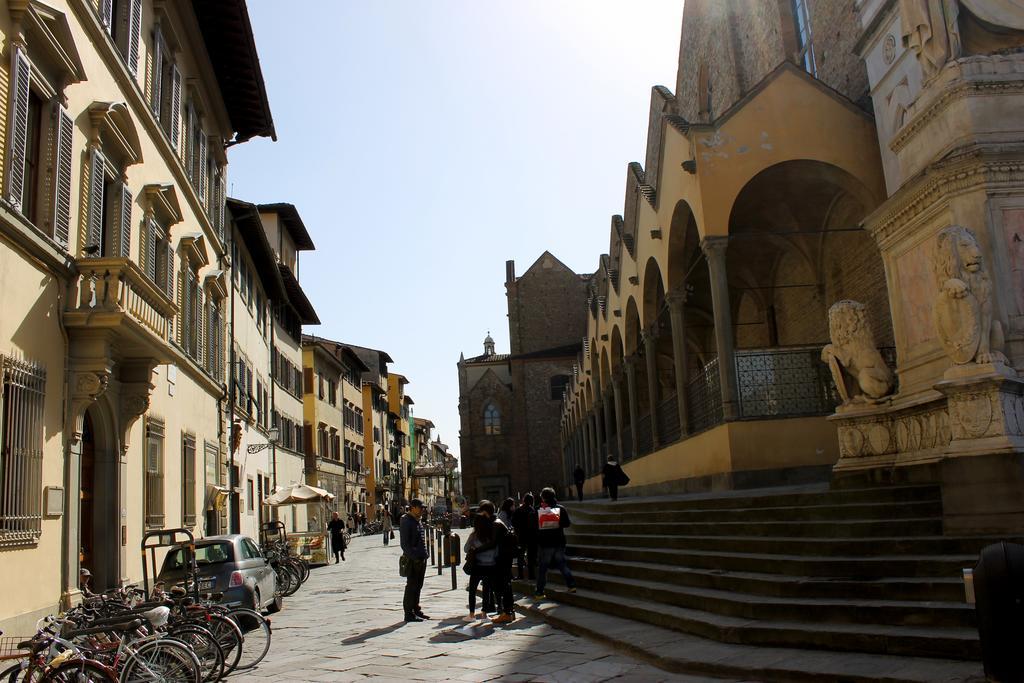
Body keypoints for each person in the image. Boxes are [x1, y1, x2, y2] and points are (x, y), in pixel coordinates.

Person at [535, 487, 576, 599]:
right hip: (559, 541)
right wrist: (557, 522)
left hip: (545, 543)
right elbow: (567, 524)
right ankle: (571, 585)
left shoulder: (539, 509)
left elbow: (534, 527)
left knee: (543, 568)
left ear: (543, 497)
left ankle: (539, 592)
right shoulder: (560, 508)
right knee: (562, 564)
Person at [482, 500, 517, 624]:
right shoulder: (496, 521)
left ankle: (507, 613)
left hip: (502, 559)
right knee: (505, 585)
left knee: (503, 585)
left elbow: (493, 543)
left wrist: (477, 550)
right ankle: (509, 612)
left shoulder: (496, 523)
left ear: (485, 512)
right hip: (504, 557)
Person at [462, 503, 497, 621]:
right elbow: (495, 551)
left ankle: (471, 615)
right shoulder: (491, 535)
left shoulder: (474, 535)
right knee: (486, 590)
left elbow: (466, 549)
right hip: (490, 566)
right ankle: (484, 614)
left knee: (472, 590)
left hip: (477, 566)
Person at [399, 499, 430, 622]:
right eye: (420, 507)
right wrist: (414, 557)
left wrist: (424, 556)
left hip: (421, 558)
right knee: (411, 586)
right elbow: (405, 544)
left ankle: (416, 609)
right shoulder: (407, 521)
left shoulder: (417, 520)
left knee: (418, 586)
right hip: (413, 560)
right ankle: (409, 613)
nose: (422, 510)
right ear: (412, 508)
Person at [511, 492, 538, 580]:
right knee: (531, 557)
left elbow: (513, 523)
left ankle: (520, 575)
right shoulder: (533, 511)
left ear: (524, 500)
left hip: (521, 536)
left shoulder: (518, 510)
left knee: (520, 556)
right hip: (531, 537)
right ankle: (531, 575)